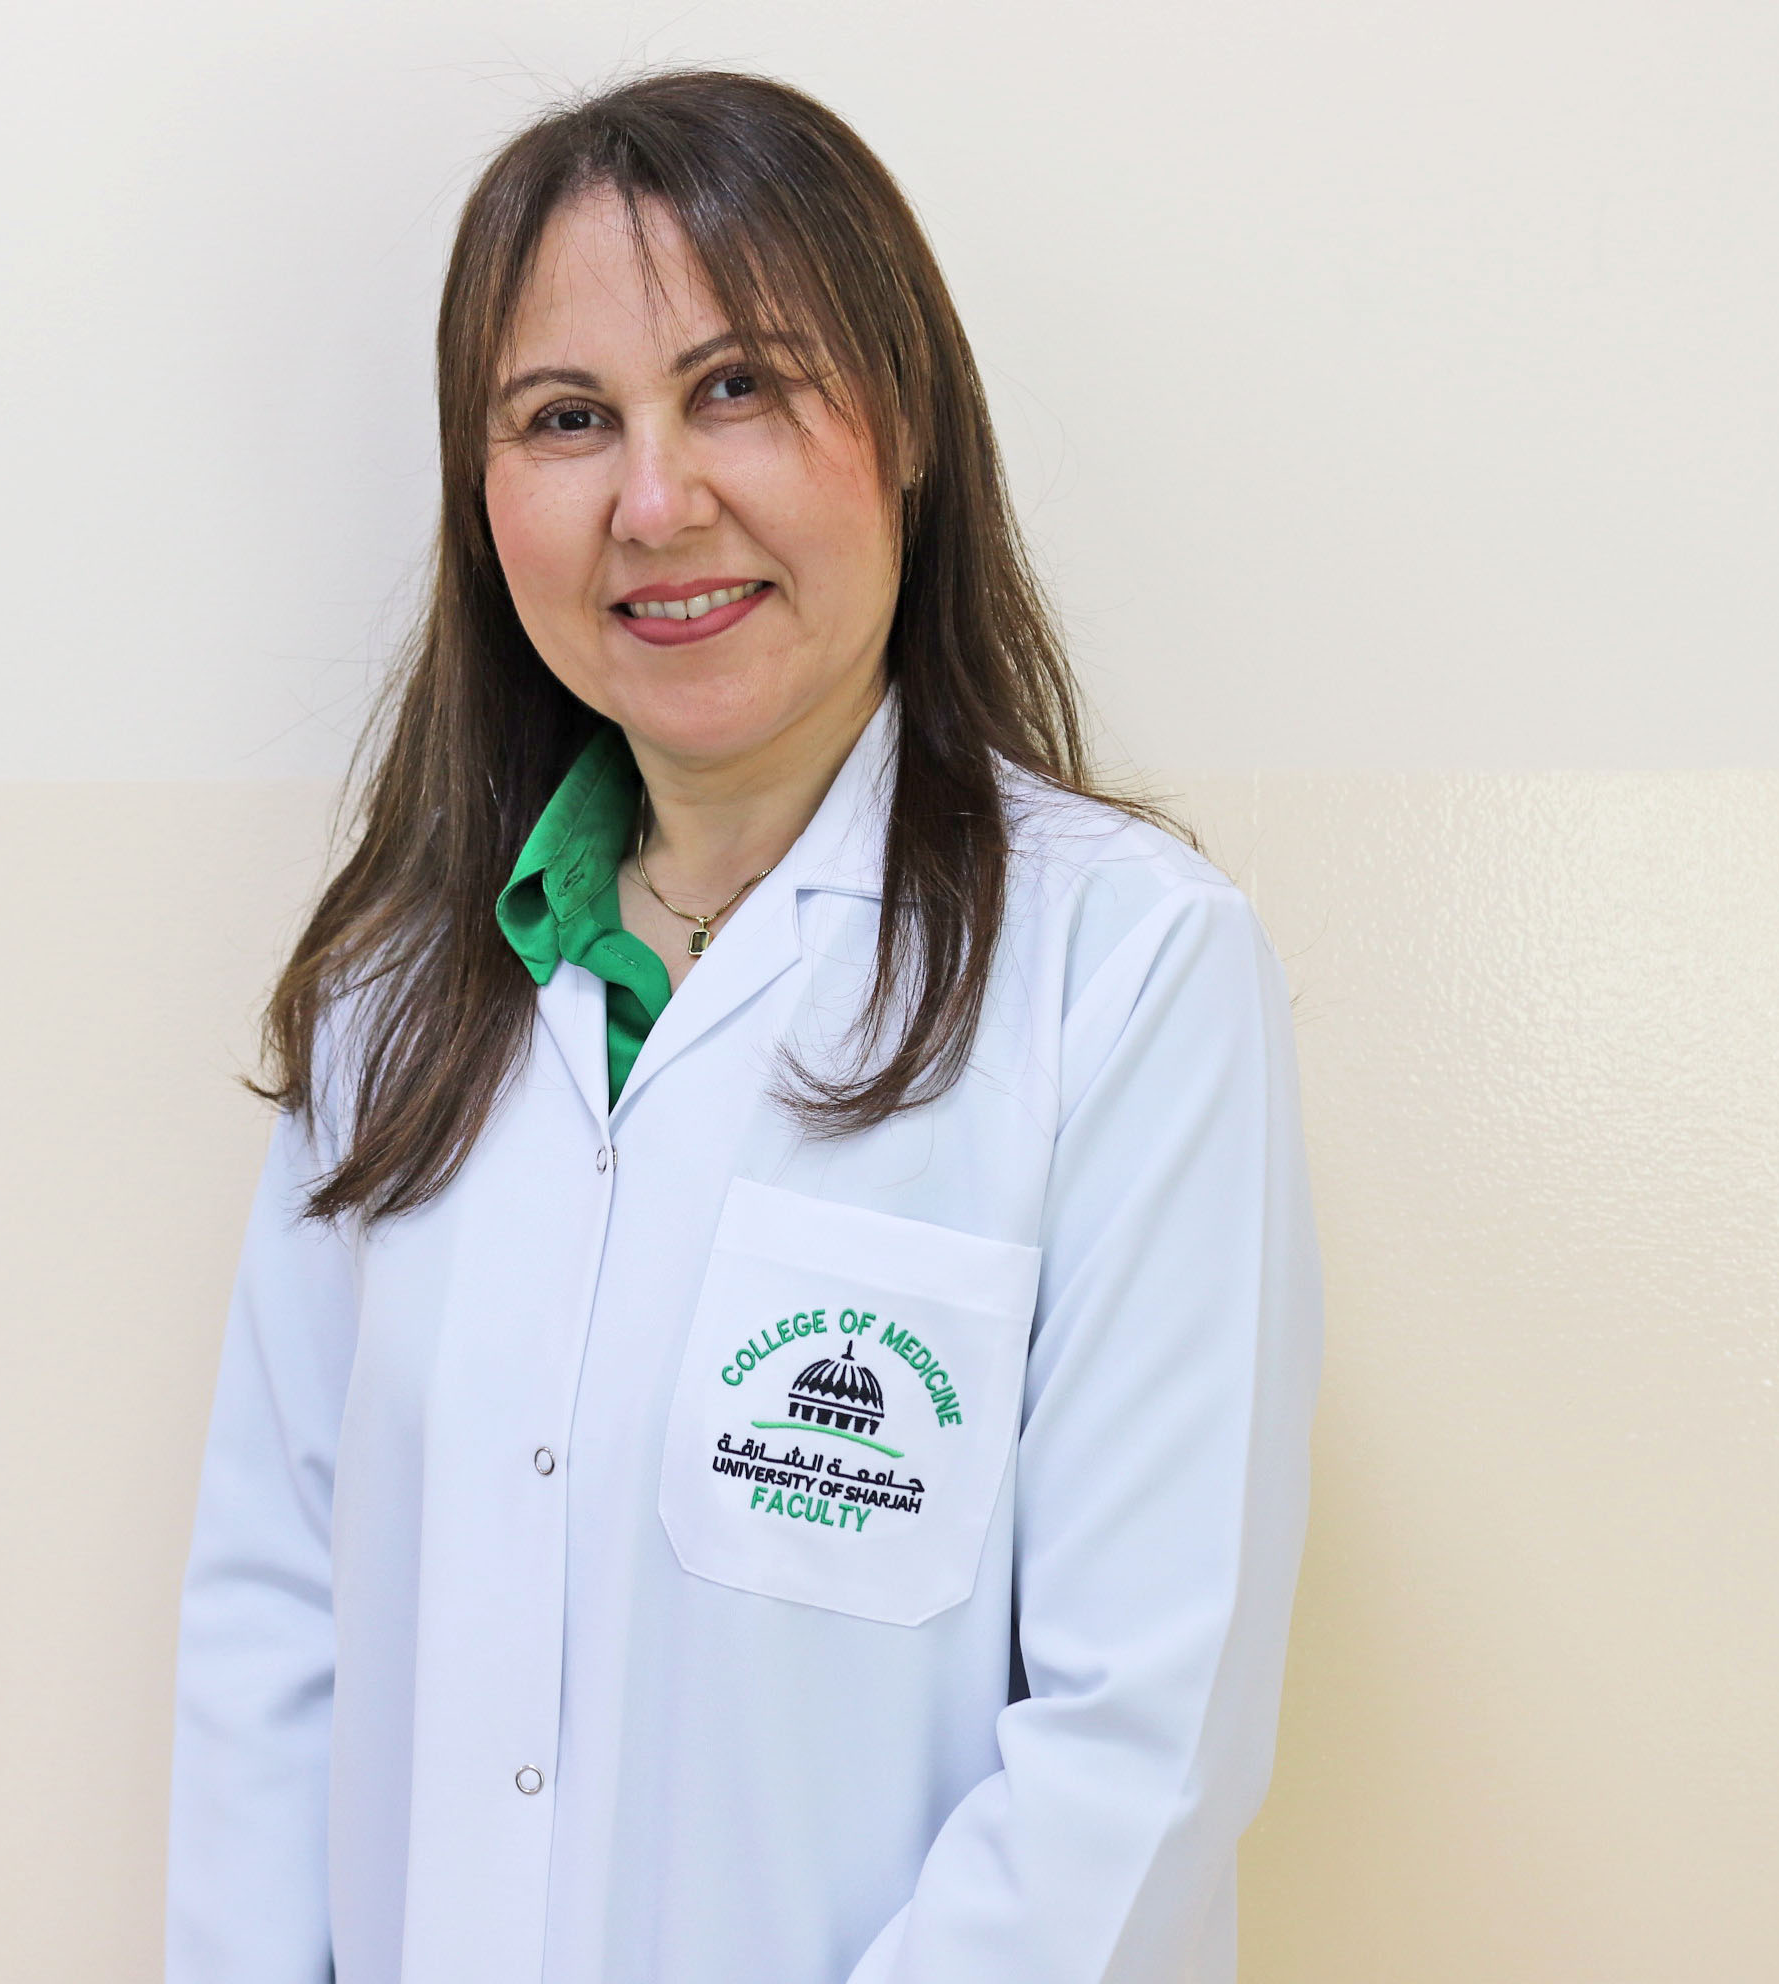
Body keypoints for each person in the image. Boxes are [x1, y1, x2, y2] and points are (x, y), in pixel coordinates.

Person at [167, 67, 1321, 1984]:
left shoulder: (1125, 974)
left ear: (911, 421)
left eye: (739, 387)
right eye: (566, 419)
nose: (654, 502)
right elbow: (273, 1647)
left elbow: (1138, 1747)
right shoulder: (398, 1000)